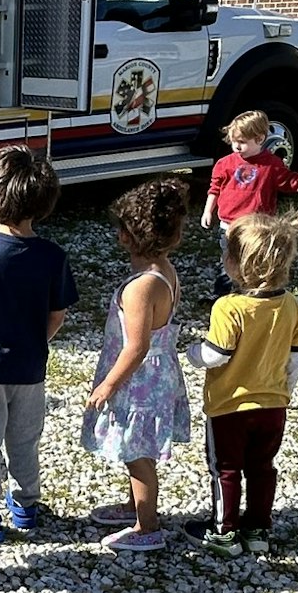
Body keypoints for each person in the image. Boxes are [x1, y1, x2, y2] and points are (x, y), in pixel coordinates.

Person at [0, 147, 77, 542]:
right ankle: (25, 504)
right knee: (25, 438)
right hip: (31, 365)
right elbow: (57, 314)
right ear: (43, 201)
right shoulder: (53, 256)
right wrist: (35, 342)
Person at [183, 211, 298, 557]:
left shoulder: (229, 307)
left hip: (229, 406)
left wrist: (192, 352)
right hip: (273, 404)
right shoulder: (291, 306)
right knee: (262, 466)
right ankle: (257, 529)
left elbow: (216, 354)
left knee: (225, 468)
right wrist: (285, 389)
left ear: (239, 265)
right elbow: (297, 355)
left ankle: (224, 530)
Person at [81, 178, 191, 554]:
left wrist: (108, 385)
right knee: (136, 449)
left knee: (137, 455)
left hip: (138, 384)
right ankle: (134, 507)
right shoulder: (165, 271)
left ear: (130, 235)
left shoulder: (141, 287)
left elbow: (137, 346)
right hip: (156, 377)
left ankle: (148, 525)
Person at [199, 110, 298, 300]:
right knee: (229, 257)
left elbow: (289, 182)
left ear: (259, 139)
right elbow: (215, 188)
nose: (236, 146)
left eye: (242, 142)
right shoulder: (224, 163)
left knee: (255, 256)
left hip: (257, 225)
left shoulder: (272, 164)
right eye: (234, 141)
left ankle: (252, 289)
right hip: (229, 223)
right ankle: (223, 293)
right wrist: (208, 211)